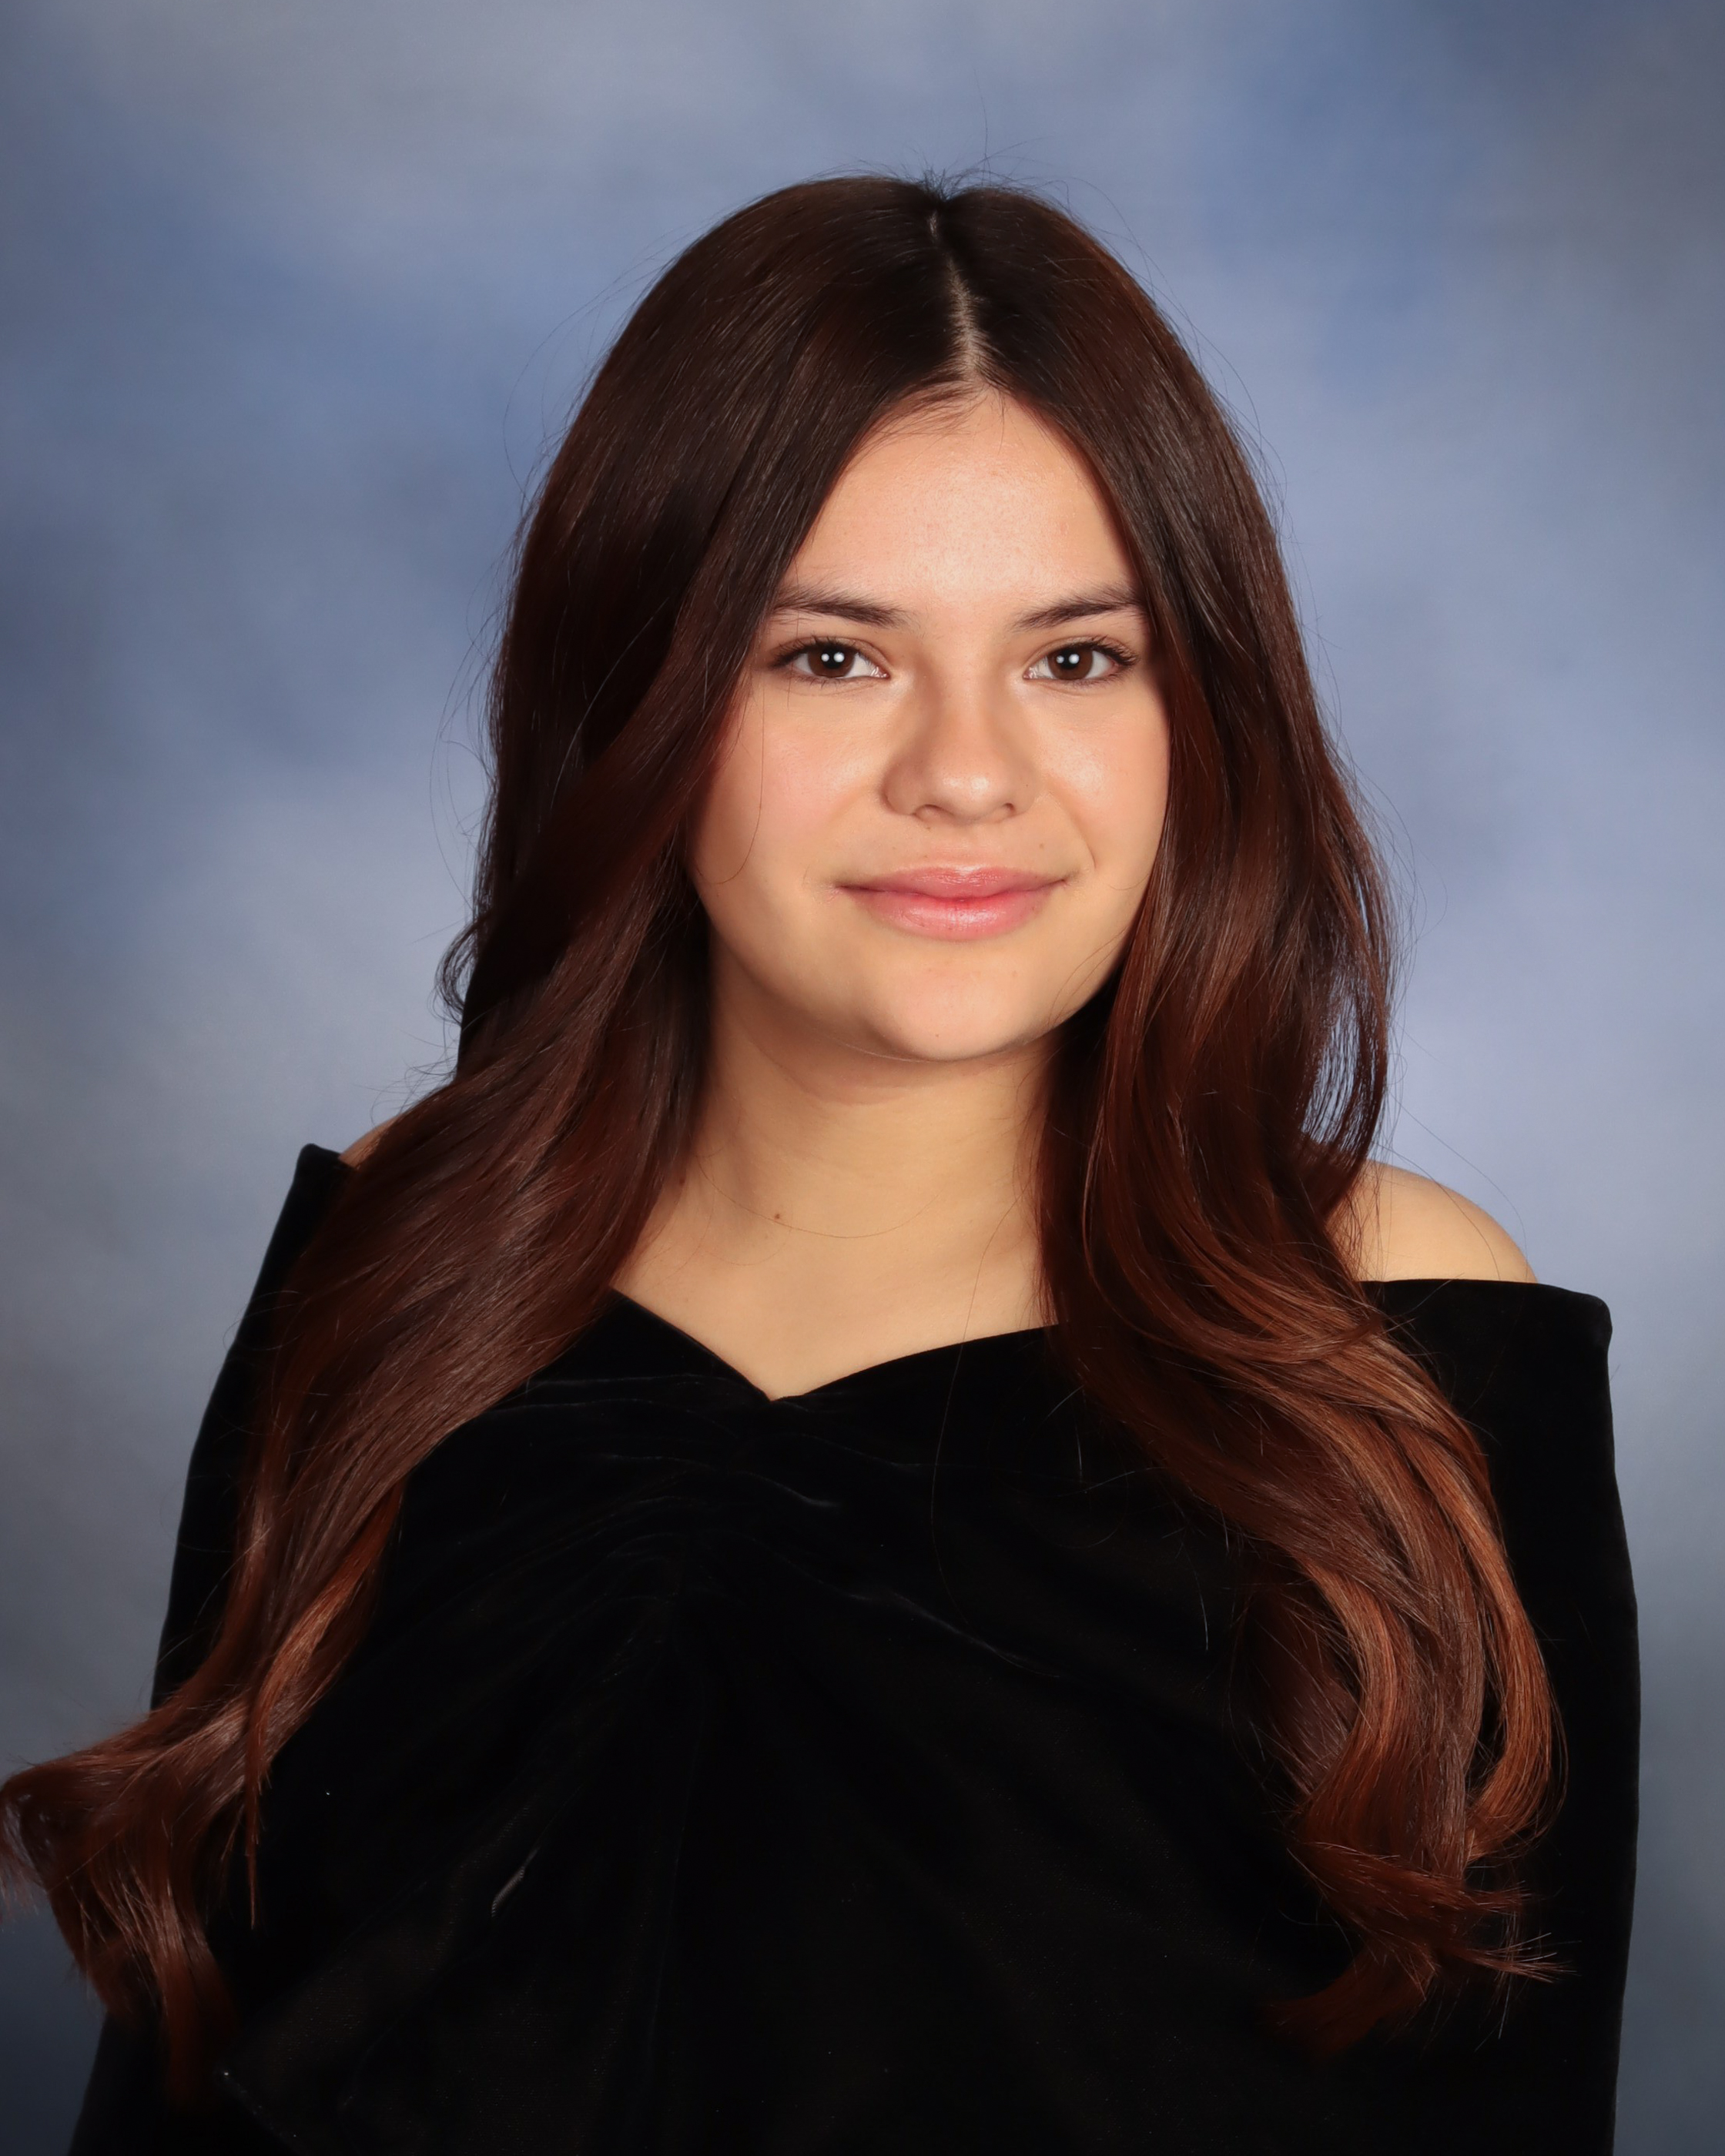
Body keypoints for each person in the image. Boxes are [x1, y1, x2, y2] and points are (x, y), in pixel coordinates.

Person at [3, 176, 1636, 2154]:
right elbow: (187, 2054)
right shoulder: (413, 1245)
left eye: (1077, 659)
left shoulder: (1393, 1331)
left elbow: (1503, 2096)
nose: (964, 772)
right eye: (831, 657)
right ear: (644, 693)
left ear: (1201, 712)